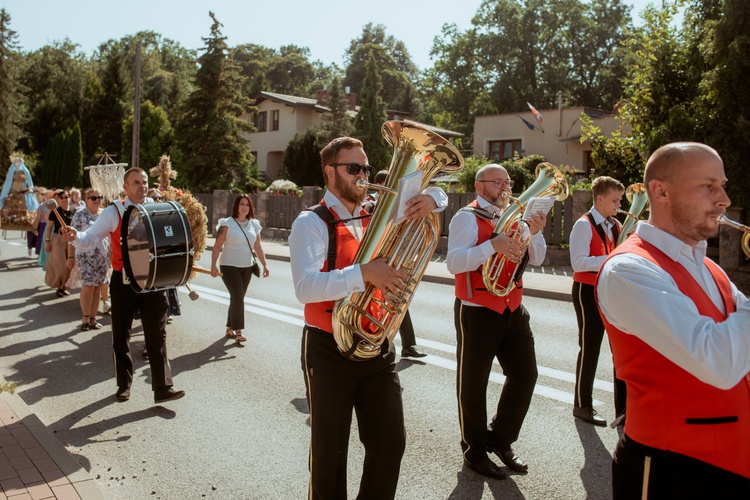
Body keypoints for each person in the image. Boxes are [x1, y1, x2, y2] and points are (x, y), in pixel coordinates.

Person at [289, 136, 447, 499]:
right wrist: (364, 274)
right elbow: (305, 287)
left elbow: (433, 196)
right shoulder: (310, 222)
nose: (363, 175)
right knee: (330, 455)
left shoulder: (378, 209)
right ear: (330, 172)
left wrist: (433, 199)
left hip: (376, 346)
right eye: (353, 168)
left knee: (390, 443)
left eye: (366, 168)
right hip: (329, 348)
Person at [596, 142, 750, 498]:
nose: (724, 199)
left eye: (723, 186)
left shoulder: (710, 268)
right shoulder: (629, 269)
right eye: (709, 186)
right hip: (672, 467)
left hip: (730, 462)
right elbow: (718, 361)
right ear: (660, 191)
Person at [446, 163, 547, 479]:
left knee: (525, 375)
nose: (506, 186)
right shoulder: (467, 217)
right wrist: (492, 245)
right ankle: (474, 452)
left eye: (508, 181)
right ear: (480, 186)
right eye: (498, 182)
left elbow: (539, 258)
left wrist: (535, 232)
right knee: (473, 385)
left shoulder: (516, 216)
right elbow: (452, 262)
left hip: (513, 308)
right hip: (477, 309)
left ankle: (499, 439)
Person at [63, 168, 185, 404]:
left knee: (157, 335)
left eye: (144, 182)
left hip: (152, 282)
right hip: (124, 280)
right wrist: (75, 236)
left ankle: (163, 387)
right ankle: (123, 385)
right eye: (136, 182)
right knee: (121, 335)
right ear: (125, 187)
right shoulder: (113, 211)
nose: (141, 186)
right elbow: (89, 239)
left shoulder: (157, 207)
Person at [569, 176, 627, 426]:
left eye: (620, 200)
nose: (619, 205)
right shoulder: (583, 225)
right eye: (615, 200)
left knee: (621, 351)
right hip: (586, 290)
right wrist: (612, 257)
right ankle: (582, 405)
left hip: (610, 291)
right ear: (600, 199)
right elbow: (578, 263)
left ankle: (624, 409)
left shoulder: (615, 224)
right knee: (590, 348)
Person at [368, 169, 426, 358]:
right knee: (381, 304)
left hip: (395, 260)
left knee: (399, 302)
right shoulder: (370, 205)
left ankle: (407, 345)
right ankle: (378, 341)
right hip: (375, 264)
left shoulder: (397, 207)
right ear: (382, 187)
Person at [211, 194, 269, 343]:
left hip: (247, 267)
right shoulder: (226, 224)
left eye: (247, 204)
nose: (244, 207)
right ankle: (238, 331)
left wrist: (265, 265)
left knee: (238, 298)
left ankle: (229, 327)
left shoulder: (254, 224)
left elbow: (258, 246)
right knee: (237, 296)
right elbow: (217, 246)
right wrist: (213, 265)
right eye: (242, 204)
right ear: (236, 206)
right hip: (229, 266)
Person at [69, 188, 110, 331]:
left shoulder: (105, 214)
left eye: (100, 197)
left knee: (98, 287)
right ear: (87, 200)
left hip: (102, 256)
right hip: (85, 256)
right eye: (94, 198)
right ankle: (85, 318)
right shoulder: (80, 215)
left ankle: (93, 319)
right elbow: (71, 239)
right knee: (88, 286)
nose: (98, 200)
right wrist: (70, 257)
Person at [44, 189, 73, 297]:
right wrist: (47, 241)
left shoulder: (74, 211)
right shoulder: (55, 211)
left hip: (70, 240)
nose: (65, 199)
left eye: (66, 197)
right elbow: (49, 228)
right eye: (62, 197)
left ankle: (64, 287)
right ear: (59, 200)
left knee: (69, 265)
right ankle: (59, 286)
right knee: (60, 265)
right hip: (58, 239)